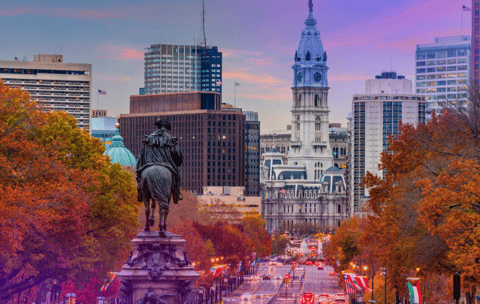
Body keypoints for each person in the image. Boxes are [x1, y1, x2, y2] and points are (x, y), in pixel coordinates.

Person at [135, 118, 183, 204]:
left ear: (157, 127)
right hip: (167, 164)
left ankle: (140, 192)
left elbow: (141, 155)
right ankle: (176, 194)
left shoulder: (148, 138)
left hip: (149, 163)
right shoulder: (171, 139)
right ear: (166, 127)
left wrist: (139, 169)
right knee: (178, 174)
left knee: (141, 175)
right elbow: (177, 156)